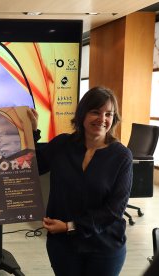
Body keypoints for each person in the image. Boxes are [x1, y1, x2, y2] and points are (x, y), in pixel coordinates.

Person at [28, 86, 133, 276]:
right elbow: (32, 168)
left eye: (108, 114)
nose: (102, 119)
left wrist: (70, 226)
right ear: (82, 114)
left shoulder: (121, 156)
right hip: (63, 246)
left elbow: (114, 210)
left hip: (104, 246)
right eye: (95, 112)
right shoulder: (62, 144)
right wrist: (31, 132)